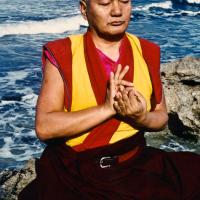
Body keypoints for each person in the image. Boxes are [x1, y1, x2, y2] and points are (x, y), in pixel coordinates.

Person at [19, 0, 200, 199]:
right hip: (79, 170)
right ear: (84, 9)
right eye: (104, 3)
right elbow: (45, 127)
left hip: (135, 162)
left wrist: (141, 117)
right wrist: (106, 108)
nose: (117, 11)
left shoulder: (147, 51)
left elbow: (161, 118)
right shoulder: (64, 53)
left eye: (125, 1)